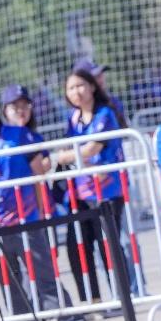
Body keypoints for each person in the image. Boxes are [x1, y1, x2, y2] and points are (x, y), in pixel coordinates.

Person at [0, 87, 101, 321]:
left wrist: (41, 212)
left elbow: (38, 174)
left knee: (44, 275)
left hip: (27, 219)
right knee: (10, 283)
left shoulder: (18, 135)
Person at [53, 69, 131, 301]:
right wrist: (69, 155)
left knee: (108, 244)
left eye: (80, 85)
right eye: (70, 88)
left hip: (107, 191)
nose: (76, 92)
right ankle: (92, 299)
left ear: (92, 87)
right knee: (78, 245)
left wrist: (64, 156)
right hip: (80, 192)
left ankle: (122, 296)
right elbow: (75, 149)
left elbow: (91, 148)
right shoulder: (73, 118)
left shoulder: (105, 113)